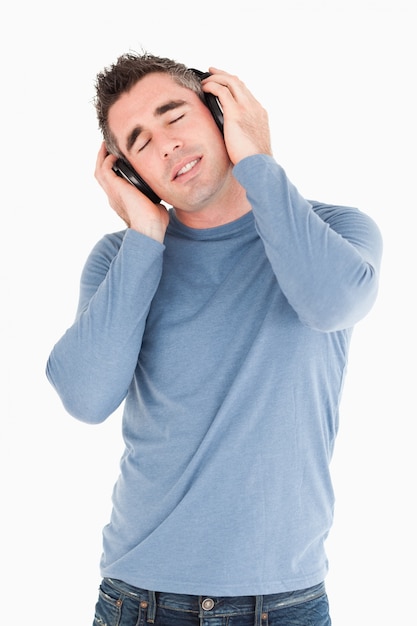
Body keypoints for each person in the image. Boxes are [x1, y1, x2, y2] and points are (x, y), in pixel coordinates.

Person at [46, 51, 383, 626]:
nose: (167, 144)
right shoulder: (119, 260)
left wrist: (258, 159)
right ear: (128, 173)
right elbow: (84, 397)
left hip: (286, 603)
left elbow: (331, 304)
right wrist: (146, 234)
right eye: (140, 142)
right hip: (141, 601)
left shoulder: (337, 230)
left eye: (174, 116)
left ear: (220, 110)